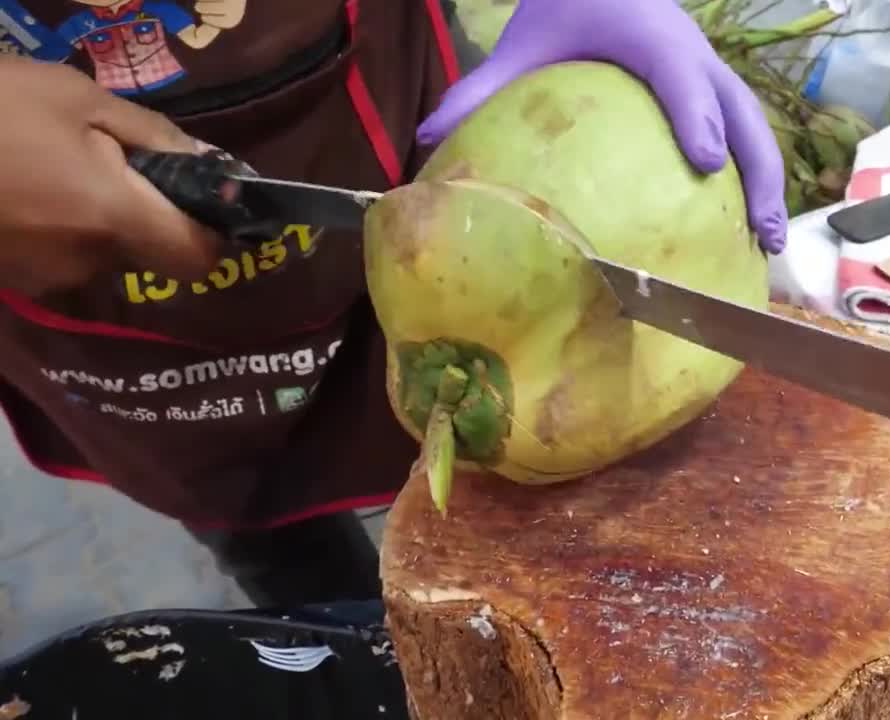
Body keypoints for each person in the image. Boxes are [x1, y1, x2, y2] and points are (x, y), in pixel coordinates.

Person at [0, 0, 786, 608]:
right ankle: (336, 618)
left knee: (499, 476)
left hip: (372, 112)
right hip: (49, 208)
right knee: (246, 507)